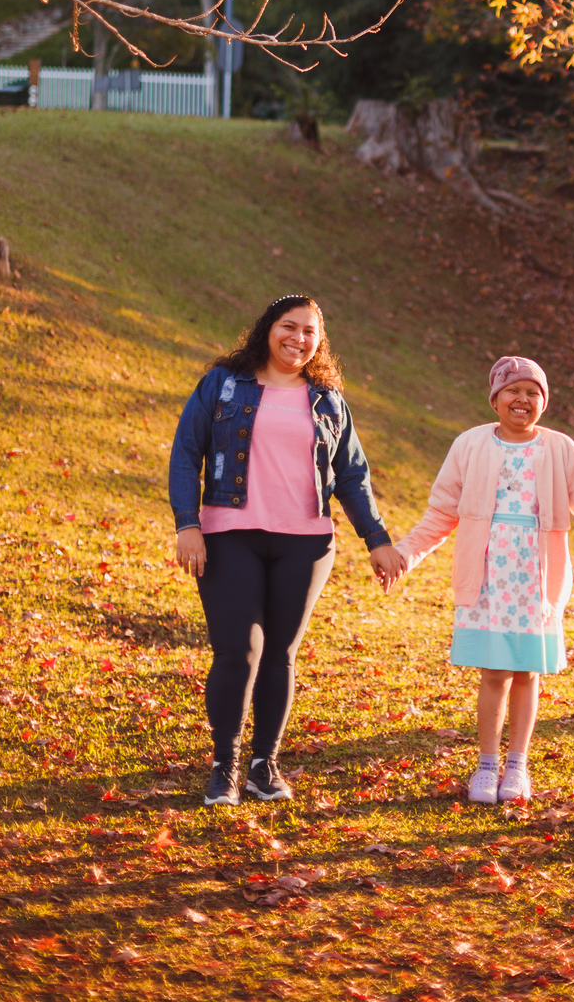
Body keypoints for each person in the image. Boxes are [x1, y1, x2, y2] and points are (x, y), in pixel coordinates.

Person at [169, 293, 404, 807]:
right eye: (288, 327)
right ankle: (223, 765)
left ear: (319, 343)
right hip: (230, 536)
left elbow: (352, 476)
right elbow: (187, 451)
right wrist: (188, 524)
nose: (298, 339)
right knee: (238, 652)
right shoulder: (223, 385)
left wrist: (378, 540)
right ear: (267, 329)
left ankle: (263, 765)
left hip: (307, 544)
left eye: (309, 333)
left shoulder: (326, 400)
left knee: (280, 653)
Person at [392, 355, 574, 804]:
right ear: (495, 398)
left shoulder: (560, 449)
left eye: (533, 392)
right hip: (488, 574)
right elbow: (441, 513)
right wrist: (404, 553)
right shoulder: (471, 445)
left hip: (536, 576)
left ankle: (517, 765)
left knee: (527, 672)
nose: (523, 399)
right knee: (494, 671)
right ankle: (487, 764)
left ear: (543, 402)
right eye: (513, 390)